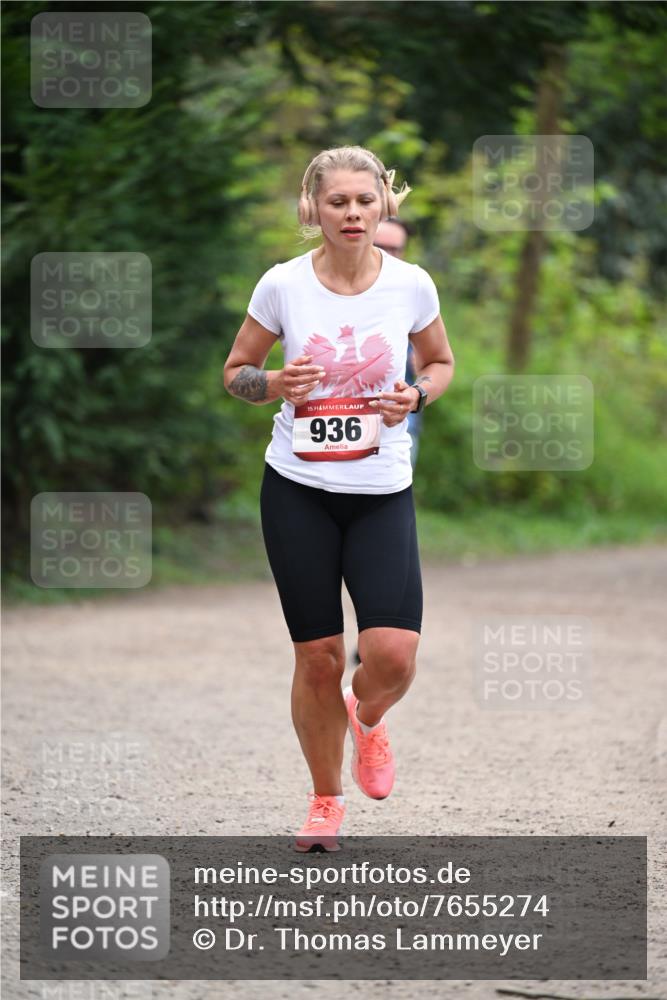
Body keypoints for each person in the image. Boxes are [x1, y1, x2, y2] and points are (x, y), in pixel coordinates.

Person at [223, 145, 454, 852]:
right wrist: (270, 387)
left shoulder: (411, 284)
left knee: (391, 655)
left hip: (381, 488)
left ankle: (369, 717)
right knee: (318, 654)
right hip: (297, 487)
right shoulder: (282, 286)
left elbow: (440, 363)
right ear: (312, 208)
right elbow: (236, 370)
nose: (351, 213)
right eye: (336, 202)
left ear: (384, 203)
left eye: (363, 200)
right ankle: (325, 801)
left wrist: (415, 393)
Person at [373, 218, 424, 467]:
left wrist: (420, 387)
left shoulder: (415, 293)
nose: (387, 256)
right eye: (379, 246)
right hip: (332, 424)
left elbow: (437, 363)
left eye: (395, 249)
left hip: (400, 430)